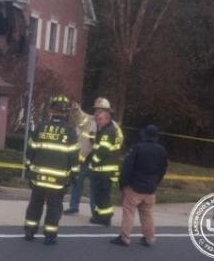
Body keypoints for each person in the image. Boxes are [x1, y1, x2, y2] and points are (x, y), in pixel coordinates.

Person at [24, 95, 80, 245]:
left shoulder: (41, 127)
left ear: (51, 109)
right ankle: (49, 235)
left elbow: (30, 151)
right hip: (58, 180)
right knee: (54, 207)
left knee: (35, 204)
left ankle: (30, 231)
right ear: (67, 112)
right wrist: (74, 174)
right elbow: (74, 156)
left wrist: (28, 169)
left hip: (38, 177)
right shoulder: (70, 131)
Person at [110, 125, 168, 247]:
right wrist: (156, 183)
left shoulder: (137, 148)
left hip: (134, 187)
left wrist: (123, 184)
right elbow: (163, 170)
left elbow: (127, 167)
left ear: (144, 135)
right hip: (150, 188)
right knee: (147, 214)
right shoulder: (162, 150)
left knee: (129, 212)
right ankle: (149, 238)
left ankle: (125, 237)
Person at [88, 97, 123, 227]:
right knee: (100, 195)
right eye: (96, 112)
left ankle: (105, 218)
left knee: (103, 196)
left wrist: (92, 163)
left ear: (108, 115)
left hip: (104, 170)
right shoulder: (105, 129)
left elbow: (102, 151)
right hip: (103, 170)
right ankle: (100, 217)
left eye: (100, 112)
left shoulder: (109, 130)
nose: (97, 115)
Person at [64, 102, 97, 215]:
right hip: (83, 159)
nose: (98, 113)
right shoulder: (89, 120)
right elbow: (80, 116)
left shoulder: (109, 125)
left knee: (94, 187)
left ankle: (95, 211)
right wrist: (76, 109)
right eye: (97, 110)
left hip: (96, 160)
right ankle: (74, 207)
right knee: (77, 183)